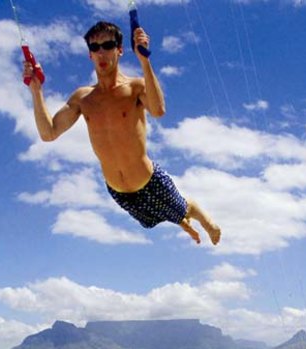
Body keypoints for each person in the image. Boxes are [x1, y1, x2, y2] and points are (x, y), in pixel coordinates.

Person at [23, 21, 221, 245]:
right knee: (152, 221)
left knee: (181, 207)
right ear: (89, 55)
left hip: (149, 180)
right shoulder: (83, 98)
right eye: (95, 47)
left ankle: (205, 221)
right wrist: (36, 90)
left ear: (119, 50)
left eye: (107, 45)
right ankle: (182, 223)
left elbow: (158, 110)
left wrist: (144, 61)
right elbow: (48, 133)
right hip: (117, 191)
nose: (101, 52)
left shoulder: (135, 87)